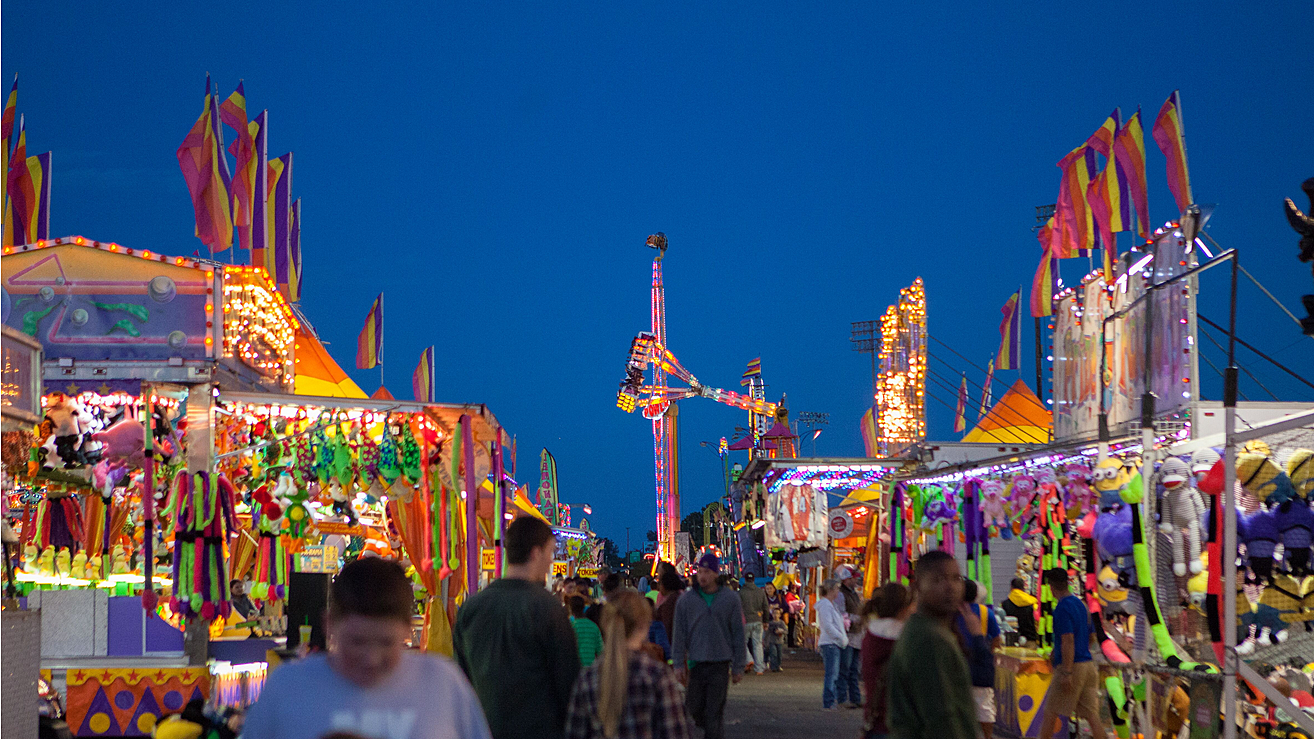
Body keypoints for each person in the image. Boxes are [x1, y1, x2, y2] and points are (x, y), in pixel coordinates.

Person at [241, 557, 492, 739]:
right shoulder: (287, 689)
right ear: (329, 625)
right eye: (357, 642)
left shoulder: (443, 684)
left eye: (386, 642)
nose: (372, 659)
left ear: (407, 630)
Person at [454, 517, 581, 739]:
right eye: (550, 553)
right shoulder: (548, 608)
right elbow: (568, 686)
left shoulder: (470, 608)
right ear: (535, 553)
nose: (551, 562)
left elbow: (461, 681)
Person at [564, 591, 692, 739]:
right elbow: (675, 732)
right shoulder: (657, 676)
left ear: (605, 625)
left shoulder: (587, 679)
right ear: (644, 626)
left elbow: (575, 733)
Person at [887, 550, 977, 739]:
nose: (950, 587)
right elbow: (942, 717)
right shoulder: (929, 639)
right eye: (938, 580)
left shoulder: (922, 630)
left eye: (956, 578)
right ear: (918, 586)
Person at [671, 552, 746, 739]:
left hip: (720, 664)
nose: (702, 576)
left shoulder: (730, 599)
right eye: (700, 571)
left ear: (715, 573)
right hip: (695, 664)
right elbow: (679, 634)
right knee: (692, 709)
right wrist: (678, 663)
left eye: (707, 571)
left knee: (715, 712)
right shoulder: (687, 601)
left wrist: (739, 665)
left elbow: (738, 633)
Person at [1037, 568, 1107, 739]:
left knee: (1050, 713)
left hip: (1071, 667)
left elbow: (1068, 640)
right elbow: (1090, 636)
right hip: (1088, 666)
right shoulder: (1081, 605)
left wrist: (1067, 671)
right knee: (1092, 716)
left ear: (1051, 587)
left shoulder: (1062, 608)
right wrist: (1060, 650)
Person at [860, 582, 912, 739]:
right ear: (904, 608)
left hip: (875, 722)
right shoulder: (904, 639)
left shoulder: (871, 635)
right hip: (901, 724)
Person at [954, 580, 1002, 739]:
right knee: (984, 708)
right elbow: (997, 639)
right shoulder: (985, 612)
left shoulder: (951, 612)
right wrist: (988, 653)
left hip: (957, 667)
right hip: (980, 668)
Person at [816, 578, 849, 710]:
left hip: (833, 643)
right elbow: (828, 625)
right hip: (830, 643)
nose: (838, 592)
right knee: (832, 674)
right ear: (830, 590)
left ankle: (831, 700)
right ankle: (829, 701)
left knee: (834, 673)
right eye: (836, 589)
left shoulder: (830, 604)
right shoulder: (825, 605)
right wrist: (840, 637)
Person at [835, 565, 865, 709]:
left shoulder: (853, 593)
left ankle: (855, 698)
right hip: (847, 635)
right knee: (845, 669)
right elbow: (841, 614)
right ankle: (842, 698)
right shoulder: (841, 594)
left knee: (853, 670)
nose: (857, 580)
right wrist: (857, 618)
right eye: (854, 578)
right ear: (848, 579)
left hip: (856, 635)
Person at [738, 572, 769, 676]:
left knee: (742, 643)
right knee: (758, 644)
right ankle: (759, 668)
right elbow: (765, 607)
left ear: (745, 580)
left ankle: (749, 659)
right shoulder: (760, 592)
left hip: (745, 621)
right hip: (758, 620)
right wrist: (765, 621)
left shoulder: (741, 592)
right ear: (754, 580)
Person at [1000, 577, 1039, 645]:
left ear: (1011, 588)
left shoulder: (1004, 604)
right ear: (1023, 588)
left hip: (1012, 641)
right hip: (1030, 640)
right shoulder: (1033, 603)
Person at [571, 595, 605, 666]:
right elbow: (600, 651)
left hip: (575, 666)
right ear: (584, 607)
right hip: (590, 667)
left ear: (571, 609)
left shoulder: (570, 627)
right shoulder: (593, 626)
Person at [653, 568, 684, 645]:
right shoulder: (683, 598)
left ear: (664, 586)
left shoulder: (668, 604)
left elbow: (667, 628)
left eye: (660, 584)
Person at [764, 606, 787, 672]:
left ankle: (778, 666)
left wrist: (781, 631)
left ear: (780, 615)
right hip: (772, 641)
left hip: (780, 641)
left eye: (777, 613)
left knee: (779, 655)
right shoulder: (770, 623)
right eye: (774, 613)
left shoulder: (781, 623)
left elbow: (786, 631)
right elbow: (767, 632)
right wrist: (765, 641)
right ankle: (773, 667)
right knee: (773, 654)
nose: (776, 615)